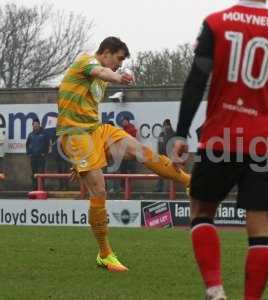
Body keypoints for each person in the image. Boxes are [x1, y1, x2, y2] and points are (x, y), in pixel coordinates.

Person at [173, 1, 268, 299]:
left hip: (221, 139)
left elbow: (196, 80)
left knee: (201, 210)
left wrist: (181, 132)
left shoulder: (216, 22)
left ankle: (215, 289)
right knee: (260, 227)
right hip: (266, 145)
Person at [56, 37, 191, 272]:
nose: (118, 65)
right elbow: (100, 70)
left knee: (142, 151)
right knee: (99, 190)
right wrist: (118, 77)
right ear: (106, 52)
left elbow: (97, 79)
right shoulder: (86, 61)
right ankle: (105, 254)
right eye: (118, 59)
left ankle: (191, 183)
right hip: (76, 133)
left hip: (96, 130)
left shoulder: (98, 77)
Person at [26, 119, 49, 190]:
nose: (35, 126)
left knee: (41, 173)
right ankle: (34, 188)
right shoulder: (30, 134)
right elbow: (27, 144)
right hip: (33, 157)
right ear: (32, 125)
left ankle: (41, 188)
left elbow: (47, 144)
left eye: (37, 124)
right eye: (34, 124)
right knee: (34, 173)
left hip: (41, 157)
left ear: (39, 125)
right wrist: (29, 153)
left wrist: (44, 153)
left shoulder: (44, 134)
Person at [155, 119, 176, 192]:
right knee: (160, 172)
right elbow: (159, 145)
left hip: (171, 157)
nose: (166, 127)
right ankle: (159, 188)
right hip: (162, 157)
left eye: (167, 125)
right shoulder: (161, 134)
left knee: (170, 174)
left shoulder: (174, 134)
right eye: (165, 125)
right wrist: (159, 155)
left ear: (170, 126)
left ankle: (170, 189)